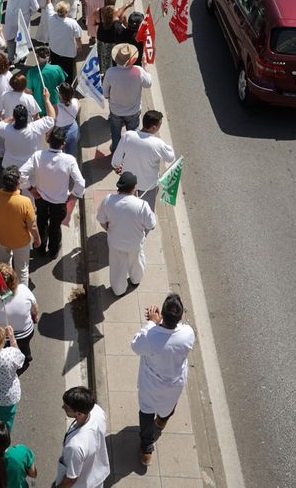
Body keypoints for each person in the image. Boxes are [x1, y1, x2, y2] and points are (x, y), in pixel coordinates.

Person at [131, 293, 196, 466]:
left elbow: (135, 346)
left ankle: (146, 446)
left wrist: (152, 322)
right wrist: (160, 324)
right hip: (175, 383)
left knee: (146, 412)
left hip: (151, 383)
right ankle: (161, 422)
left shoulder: (150, 337)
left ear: (163, 315)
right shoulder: (188, 333)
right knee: (169, 405)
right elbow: (169, 338)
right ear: (180, 317)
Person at [18, 127, 84, 259]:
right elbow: (81, 183)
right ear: (63, 144)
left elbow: (21, 173)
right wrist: (73, 195)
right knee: (55, 227)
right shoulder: (69, 160)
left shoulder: (38, 156)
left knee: (41, 223)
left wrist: (31, 189)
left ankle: (40, 248)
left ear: (48, 140)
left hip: (41, 199)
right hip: (59, 203)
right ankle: (53, 251)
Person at [96, 173, 156, 295]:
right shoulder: (142, 205)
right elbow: (152, 225)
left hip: (115, 243)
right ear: (134, 188)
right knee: (136, 262)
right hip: (135, 244)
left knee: (117, 268)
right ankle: (135, 280)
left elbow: (102, 221)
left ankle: (119, 290)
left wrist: (109, 229)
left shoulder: (108, 200)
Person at [111, 109, 176, 206]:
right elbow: (171, 158)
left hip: (128, 185)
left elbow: (115, 162)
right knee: (146, 212)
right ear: (154, 128)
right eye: (159, 125)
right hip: (148, 187)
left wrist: (118, 167)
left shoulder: (128, 136)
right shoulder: (158, 144)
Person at [0, 263, 39, 372]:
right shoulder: (24, 289)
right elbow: (35, 308)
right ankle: (26, 358)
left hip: (5, 338)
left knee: (6, 353)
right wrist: (35, 315)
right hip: (26, 332)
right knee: (24, 347)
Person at [0, 174, 37, 285]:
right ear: (18, 184)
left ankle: (6, 289)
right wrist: (37, 238)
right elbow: (32, 226)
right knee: (22, 270)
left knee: (4, 265)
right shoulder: (25, 202)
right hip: (21, 242)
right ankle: (21, 296)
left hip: (2, 239)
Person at [100, 44, 152, 154]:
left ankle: (115, 150)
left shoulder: (110, 72)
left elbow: (105, 93)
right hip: (133, 111)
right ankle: (131, 152)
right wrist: (145, 66)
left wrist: (109, 98)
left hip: (115, 111)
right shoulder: (138, 71)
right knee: (133, 134)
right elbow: (148, 83)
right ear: (132, 60)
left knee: (115, 132)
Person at [56, 386, 110, 488]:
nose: (62, 407)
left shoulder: (75, 446)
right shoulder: (97, 411)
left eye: (67, 407)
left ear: (79, 413)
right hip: (97, 476)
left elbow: (71, 479)